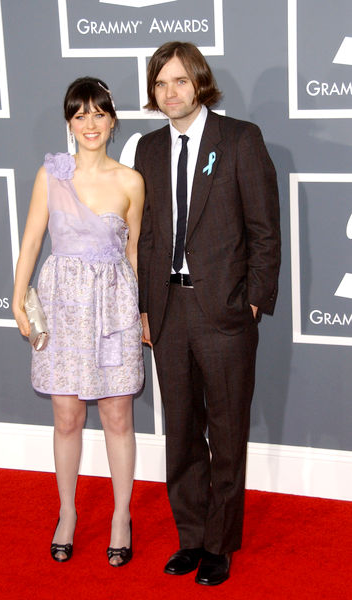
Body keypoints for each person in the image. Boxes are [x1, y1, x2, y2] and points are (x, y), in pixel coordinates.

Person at [135, 42, 280, 586]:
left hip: (223, 310)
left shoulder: (240, 138)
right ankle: (190, 537)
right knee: (181, 430)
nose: (170, 92)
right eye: (160, 83)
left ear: (200, 83)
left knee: (226, 428)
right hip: (168, 309)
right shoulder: (147, 149)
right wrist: (146, 307)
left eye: (179, 81)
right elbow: (147, 237)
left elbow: (265, 231)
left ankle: (220, 544)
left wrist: (253, 300)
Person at [12, 77, 144, 566]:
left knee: (116, 415)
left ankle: (120, 516)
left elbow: (133, 254)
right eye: (79, 114)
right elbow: (30, 241)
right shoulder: (52, 174)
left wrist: (142, 313)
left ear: (113, 120)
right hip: (63, 304)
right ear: (69, 123)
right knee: (66, 416)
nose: (90, 123)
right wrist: (17, 296)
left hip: (113, 307)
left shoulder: (131, 181)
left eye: (98, 113)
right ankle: (66, 513)